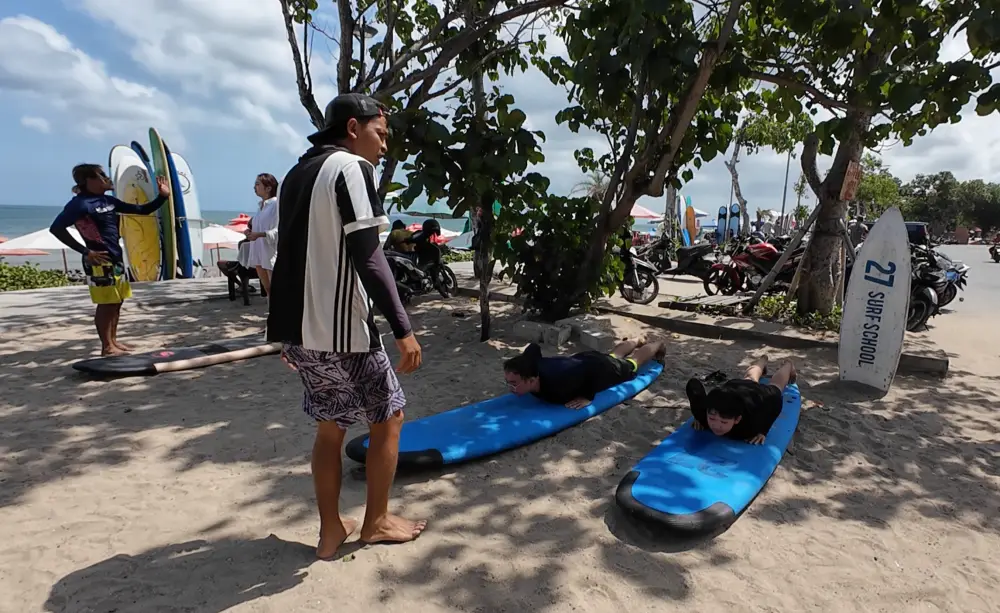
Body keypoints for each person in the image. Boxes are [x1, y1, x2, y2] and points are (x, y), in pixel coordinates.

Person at [266, 93, 426, 559]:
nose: (383, 146)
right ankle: (374, 522)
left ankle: (330, 529)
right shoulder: (352, 168)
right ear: (354, 128)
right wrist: (402, 326)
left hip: (300, 330)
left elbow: (289, 256)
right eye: (381, 134)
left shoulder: (295, 176)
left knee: (331, 426)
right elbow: (370, 255)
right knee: (389, 415)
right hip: (343, 331)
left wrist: (285, 331)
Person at [50, 164, 170, 356]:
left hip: (115, 257)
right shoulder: (80, 204)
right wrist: (85, 251)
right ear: (89, 181)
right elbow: (56, 228)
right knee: (106, 304)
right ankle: (106, 347)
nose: (106, 178)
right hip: (99, 260)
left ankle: (113, 341)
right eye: (101, 175)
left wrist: (162, 197)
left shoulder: (109, 200)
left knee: (117, 301)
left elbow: (141, 210)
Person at [503, 338, 666, 409]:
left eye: (514, 383)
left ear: (532, 380)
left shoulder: (558, 385)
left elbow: (591, 372)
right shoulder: (530, 365)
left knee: (632, 364)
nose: (510, 387)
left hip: (598, 367)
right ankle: (636, 340)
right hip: (580, 360)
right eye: (508, 382)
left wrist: (588, 396)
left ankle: (658, 344)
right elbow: (533, 347)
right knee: (613, 356)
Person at [684, 355, 796, 445]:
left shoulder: (751, 426)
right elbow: (693, 385)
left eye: (724, 422)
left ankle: (788, 365)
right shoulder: (702, 414)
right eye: (712, 418)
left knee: (777, 385)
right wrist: (698, 417)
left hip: (756, 394)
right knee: (749, 378)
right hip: (733, 386)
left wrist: (763, 431)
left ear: (737, 419)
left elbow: (776, 401)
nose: (716, 426)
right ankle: (762, 360)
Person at [245, 173, 279, 298]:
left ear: (268, 188)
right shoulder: (261, 207)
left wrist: (259, 234)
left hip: (270, 253)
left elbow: (279, 229)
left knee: (276, 289)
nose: (254, 187)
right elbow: (258, 226)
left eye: (258, 184)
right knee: (268, 289)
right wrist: (249, 232)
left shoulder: (276, 205)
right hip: (259, 253)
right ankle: (272, 314)